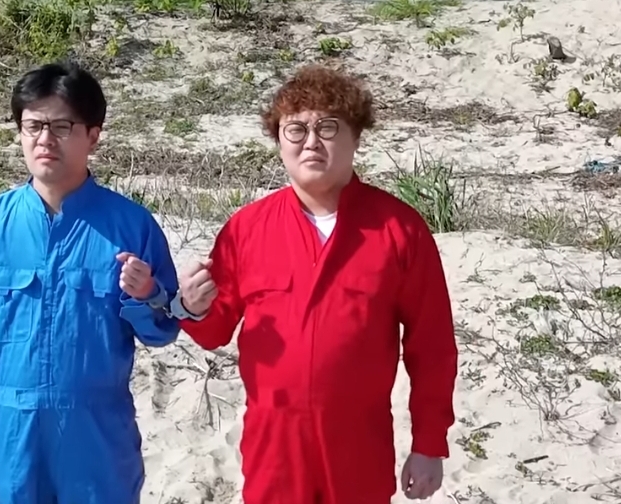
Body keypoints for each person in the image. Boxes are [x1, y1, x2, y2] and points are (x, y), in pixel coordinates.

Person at [169, 64, 458, 503]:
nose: (311, 141)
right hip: (274, 449)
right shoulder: (247, 229)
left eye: (327, 127)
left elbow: (432, 346)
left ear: (355, 137)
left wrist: (429, 444)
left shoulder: (399, 230)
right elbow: (213, 331)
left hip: (359, 449)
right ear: (279, 140)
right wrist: (190, 307)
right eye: (296, 129)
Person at [0, 62, 181, 504]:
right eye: (33, 126)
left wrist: (147, 295)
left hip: (98, 439)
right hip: (15, 436)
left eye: (62, 126)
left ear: (93, 136)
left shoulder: (131, 226)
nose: (44, 139)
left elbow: (163, 330)